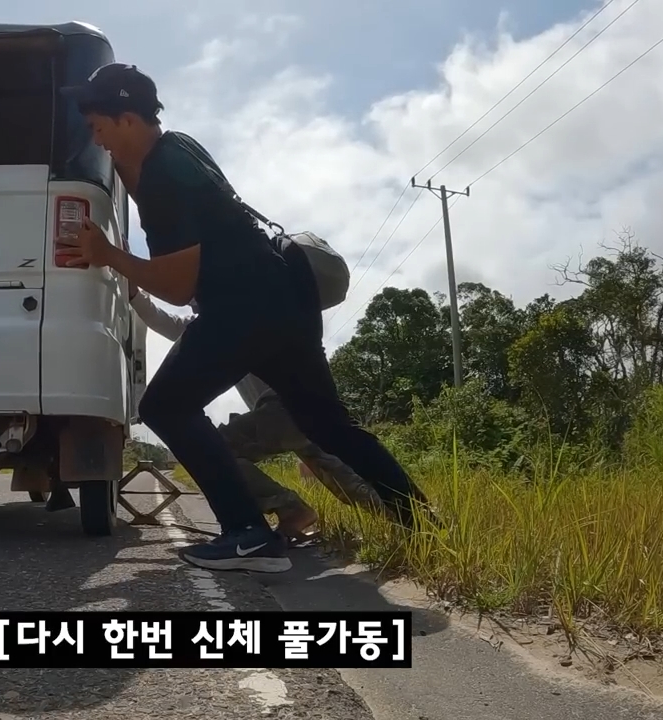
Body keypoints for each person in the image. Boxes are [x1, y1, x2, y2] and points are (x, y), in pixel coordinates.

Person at [58, 62, 432, 574]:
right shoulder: (178, 148)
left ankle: (248, 533)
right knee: (330, 426)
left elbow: (176, 285)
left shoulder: (163, 176)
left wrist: (107, 253)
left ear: (126, 119)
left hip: (241, 306)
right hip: (284, 302)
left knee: (166, 407)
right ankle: (425, 525)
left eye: (98, 126)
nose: (95, 138)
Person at [128, 285, 387, 542]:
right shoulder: (249, 308)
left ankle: (291, 509)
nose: (190, 302)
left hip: (280, 408)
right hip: (312, 403)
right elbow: (168, 322)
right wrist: (135, 295)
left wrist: (134, 295)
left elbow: (166, 322)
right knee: (345, 477)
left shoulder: (219, 323)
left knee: (214, 450)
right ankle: (412, 520)